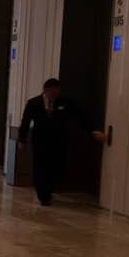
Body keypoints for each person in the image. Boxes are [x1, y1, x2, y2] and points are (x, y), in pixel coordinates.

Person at [17, 78, 106, 206]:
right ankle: (43, 195)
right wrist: (22, 140)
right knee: (40, 166)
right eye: (52, 92)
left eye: (57, 92)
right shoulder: (34, 103)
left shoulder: (66, 102)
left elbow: (80, 117)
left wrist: (93, 131)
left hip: (58, 140)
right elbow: (25, 122)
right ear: (46, 90)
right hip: (40, 141)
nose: (54, 95)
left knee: (56, 166)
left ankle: (49, 189)